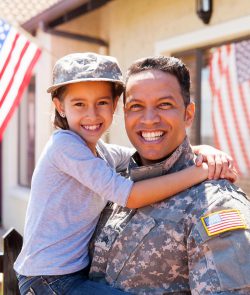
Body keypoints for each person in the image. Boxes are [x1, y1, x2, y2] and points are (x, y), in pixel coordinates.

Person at [13, 52, 235, 295]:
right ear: (60, 107)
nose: (92, 114)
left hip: (69, 273)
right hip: (49, 279)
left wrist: (203, 149)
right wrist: (199, 172)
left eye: (102, 103)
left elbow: (148, 148)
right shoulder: (64, 146)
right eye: (79, 104)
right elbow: (129, 195)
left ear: (115, 104)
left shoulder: (100, 152)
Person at [89, 56, 250, 294]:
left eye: (164, 105)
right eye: (136, 106)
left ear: (188, 114)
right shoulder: (114, 183)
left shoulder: (214, 205)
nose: (149, 119)